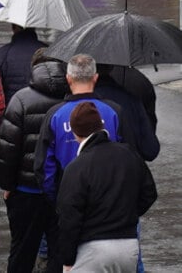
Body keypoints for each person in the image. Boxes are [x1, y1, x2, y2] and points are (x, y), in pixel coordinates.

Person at [56, 101, 157, 271]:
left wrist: (67, 258)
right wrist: (126, 214)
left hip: (92, 249)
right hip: (128, 246)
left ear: (75, 132)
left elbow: (69, 217)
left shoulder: (76, 167)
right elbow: (149, 193)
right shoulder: (129, 154)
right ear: (100, 126)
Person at [0, 50, 68, 273]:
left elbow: (7, 149)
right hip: (63, 191)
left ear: (34, 67)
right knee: (60, 252)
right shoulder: (70, 98)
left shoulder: (21, 99)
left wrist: (8, 186)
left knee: (21, 252)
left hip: (26, 190)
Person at [0, 24, 47, 100]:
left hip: (12, 108)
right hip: (45, 108)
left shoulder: (0, 54)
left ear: (13, 27)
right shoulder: (48, 51)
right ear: (34, 27)